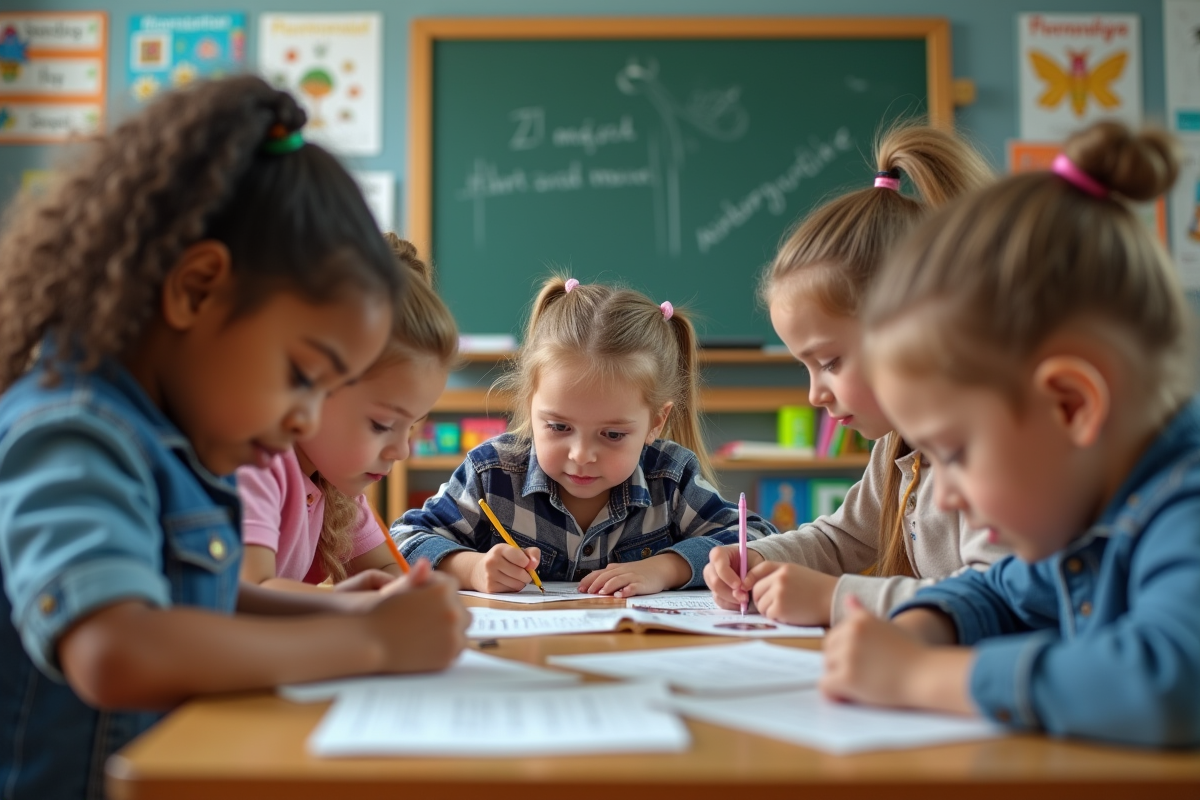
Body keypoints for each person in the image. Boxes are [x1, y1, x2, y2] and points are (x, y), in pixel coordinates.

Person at [0, 77, 468, 800]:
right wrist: (367, 643)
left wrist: (344, 606)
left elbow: (203, 597)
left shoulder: (189, 442)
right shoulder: (72, 431)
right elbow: (116, 646)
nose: (306, 420)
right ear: (196, 289)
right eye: (301, 374)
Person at [820, 121, 1200, 747]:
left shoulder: (1181, 508)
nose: (942, 496)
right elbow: (998, 592)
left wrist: (925, 677)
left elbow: (1168, 682)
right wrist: (919, 628)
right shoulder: (1086, 513)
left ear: (1071, 405)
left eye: (958, 453)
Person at [704, 123, 1007, 626]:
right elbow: (840, 538)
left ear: (916, 332)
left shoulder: (992, 448)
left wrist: (836, 598)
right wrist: (757, 558)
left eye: (830, 362)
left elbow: (997, 595)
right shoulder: (898, 444)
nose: (814, 394)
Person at [391, 277, 777, 597]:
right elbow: (402, 540)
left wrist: (666, 568)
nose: (581, 455)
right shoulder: (492, 472)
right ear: (530, 402)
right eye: (558, 427)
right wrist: (471, 568)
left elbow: (759, 541)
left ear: (655, 423)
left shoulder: (671, 478)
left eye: (612, 434)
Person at [238, 233, 457, 592]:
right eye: (382, 424)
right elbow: (253, 590)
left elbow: (387, 569)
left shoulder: (337, 487)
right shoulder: (255, 459)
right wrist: (352, 605)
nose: (401, 450)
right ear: (309, 380)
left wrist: (414, 596)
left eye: (412, 427)